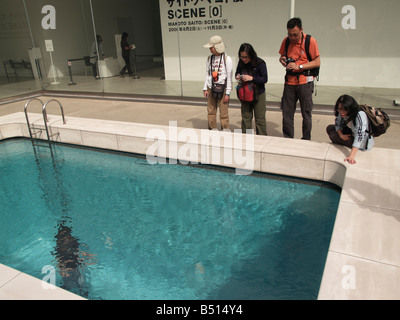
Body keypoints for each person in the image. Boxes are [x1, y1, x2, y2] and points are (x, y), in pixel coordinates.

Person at [279, 17, 320, 140]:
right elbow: (281, 56)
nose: (292, 38)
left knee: (306, 113)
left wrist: (299, 66)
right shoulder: (286, 41)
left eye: (295, 35)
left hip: (304, 82)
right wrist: (283, 60)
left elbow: (317, 62)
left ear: (301, 30)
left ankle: (306, 139)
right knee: (287, 113)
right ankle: (288, 138)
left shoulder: (310, 41)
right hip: (289, 82)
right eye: (290, 34)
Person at [326, 94, 374, 164]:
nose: (341, 112)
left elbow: (359, 136)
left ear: (350, 108)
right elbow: (337, 124)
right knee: (329, 128)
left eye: (344, 110)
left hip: (362, 143)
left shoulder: (359, 115)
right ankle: (342, 140)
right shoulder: (342, 112)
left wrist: (351, 156)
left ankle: (347, 144)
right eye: (339, 109)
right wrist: (341, 135)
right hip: (351, 133)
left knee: (333, 135)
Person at [235, 43, 268, 135]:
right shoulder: (241, 63)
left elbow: (264, 79)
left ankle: (261, 139)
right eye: (242, 57)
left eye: (246, 57)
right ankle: (247, 139)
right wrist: (238, 76)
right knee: (246, 117)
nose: (244, 59)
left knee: (260, 118)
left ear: (251, 55)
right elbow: (237, 73)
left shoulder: (260, 63)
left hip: (258, 93)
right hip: (245, 93)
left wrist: (252, 78)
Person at [203, 35, 233, 131]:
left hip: (223, 88)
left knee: (224, 111)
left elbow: (229, 77)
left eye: (211, 47)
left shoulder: (227, 59)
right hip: (211, 87)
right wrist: (205, 88)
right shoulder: (209, 59)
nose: (210, 49)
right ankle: (212, 128)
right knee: (211, 110)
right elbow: (207, 74)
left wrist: (228, 93)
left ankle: (225, 128)